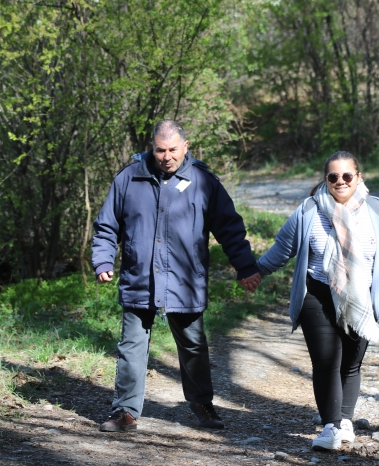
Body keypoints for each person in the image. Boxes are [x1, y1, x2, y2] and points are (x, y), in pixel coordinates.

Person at [91, 120, 262, 432]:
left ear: (186, 147)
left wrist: (246, 266)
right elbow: (106, 225)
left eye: (172, 150)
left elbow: (229, 228)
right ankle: (125, 412)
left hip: (185, 280)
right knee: (132, 345)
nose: (166, 156)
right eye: (160, 150)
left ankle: (202, 404)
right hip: (139, 278)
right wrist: (102, 261)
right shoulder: (130, 177)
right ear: (151, 148)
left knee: (193, 345)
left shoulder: (204, 181)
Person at [255, 151, 379, 450]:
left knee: (350, 364)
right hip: (318, 294)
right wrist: (254, 272)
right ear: (325, 180)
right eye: (333, 177)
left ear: (358, 177)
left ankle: (345, 420)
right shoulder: (309, 210)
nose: (340, 181)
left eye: (347, 175)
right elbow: (283, 247)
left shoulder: (378, 210)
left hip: (362, 297)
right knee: (326, 362)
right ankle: (331, 426)